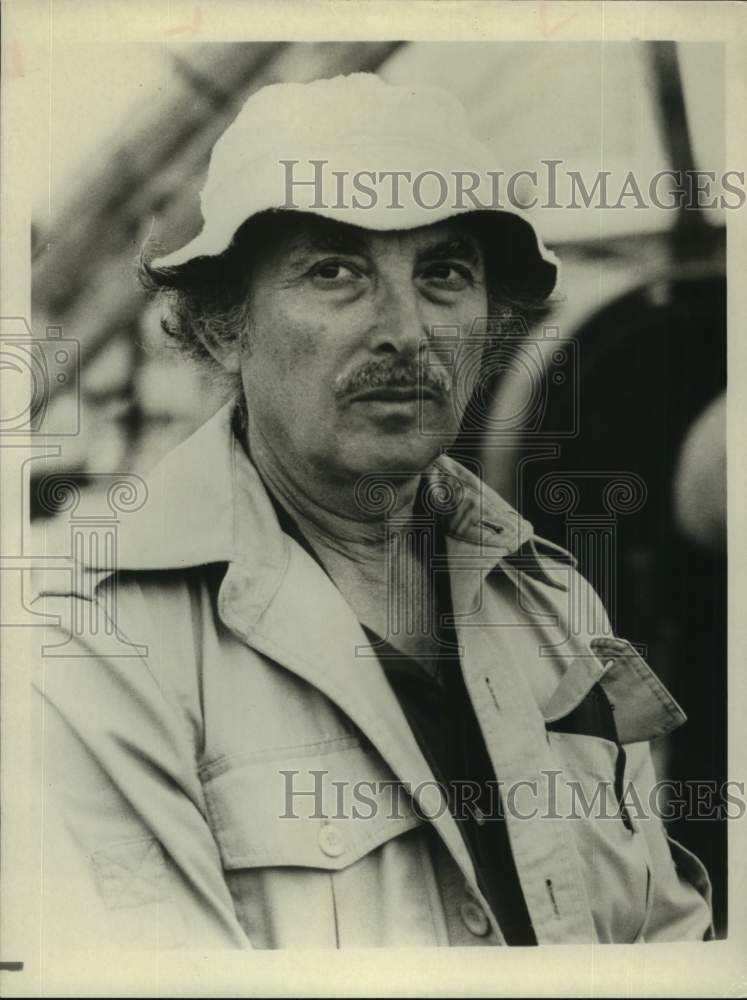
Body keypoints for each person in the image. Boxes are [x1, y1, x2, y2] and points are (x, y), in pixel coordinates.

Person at [31, 73, 713, 949]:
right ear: (221, 327)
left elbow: (664, 941)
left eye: (443, 274)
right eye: (335, 271)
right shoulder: (91, 638)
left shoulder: (551, 603)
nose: (406, 330)